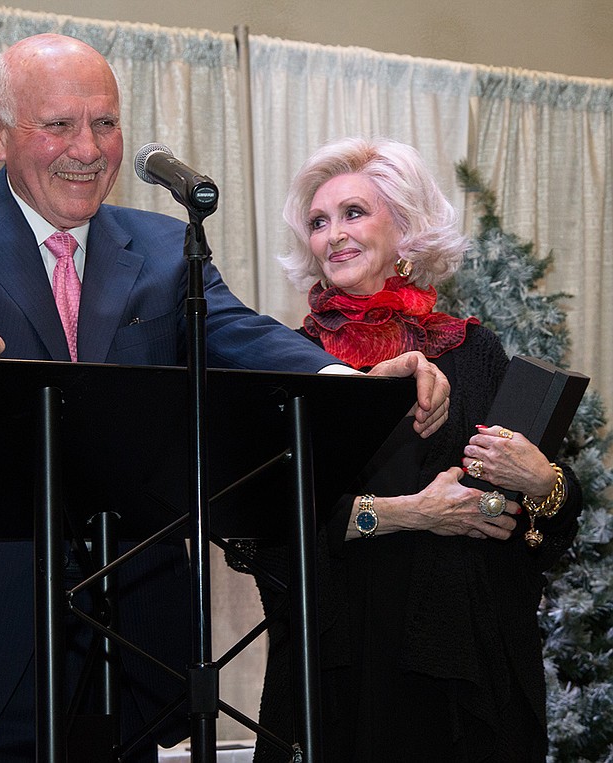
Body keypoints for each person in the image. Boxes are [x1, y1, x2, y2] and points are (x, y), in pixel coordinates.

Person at [0, 37, 450, 762]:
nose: (88, 149)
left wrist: (346, 383)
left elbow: (239, 334)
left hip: (122, 663)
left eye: (106, 123)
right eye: (59, 125)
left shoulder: (163, 248)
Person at [246, 137, 583, 762]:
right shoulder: (291, 363)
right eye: (319, 222)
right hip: (336, 665)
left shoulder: (471, 350)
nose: (333, 235)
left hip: (457, 671)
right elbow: (260, 527)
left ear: (405, 230)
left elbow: (524, 515)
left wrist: (543, 482)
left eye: (353, 213)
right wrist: (408, 513)